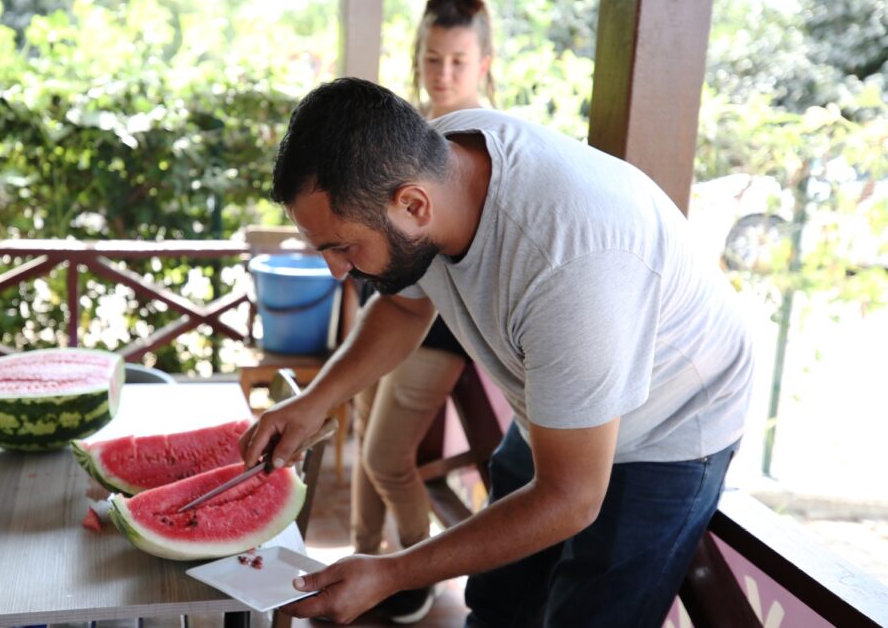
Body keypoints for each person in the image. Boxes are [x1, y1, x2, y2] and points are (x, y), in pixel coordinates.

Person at [241, 77, 752, 627]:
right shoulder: (433, 163)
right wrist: (315, 402)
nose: (335, 270)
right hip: (555, 412)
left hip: (667, 426)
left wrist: (392, 572)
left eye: (342, 247)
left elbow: (571, 498)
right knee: (498, 605)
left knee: (588, 617)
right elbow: (405, 309)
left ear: (413, 205)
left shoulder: (571, 265)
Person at [348, 2, 492, 623]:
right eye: (432, 58)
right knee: (362, 437)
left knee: (385, 457)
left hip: (442, 333)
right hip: (387, 309)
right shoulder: (408, 129)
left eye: (457, 60)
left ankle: (412, 574)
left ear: (484, 63)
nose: (443, 72)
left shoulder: (487, 139)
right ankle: (359, 556)